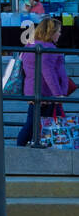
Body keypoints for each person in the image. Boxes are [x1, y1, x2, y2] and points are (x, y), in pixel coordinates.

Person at [17, 17, 72, 145]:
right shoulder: (48, 49)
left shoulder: (30, 44)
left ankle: (25, 147)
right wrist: (58, 94)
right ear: (51, 32)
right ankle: (18, 149)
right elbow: (49, 73)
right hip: (47, 93)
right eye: (58, 31)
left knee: (35, 123)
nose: (60, 34)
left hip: (34, 90)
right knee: (37, 124)